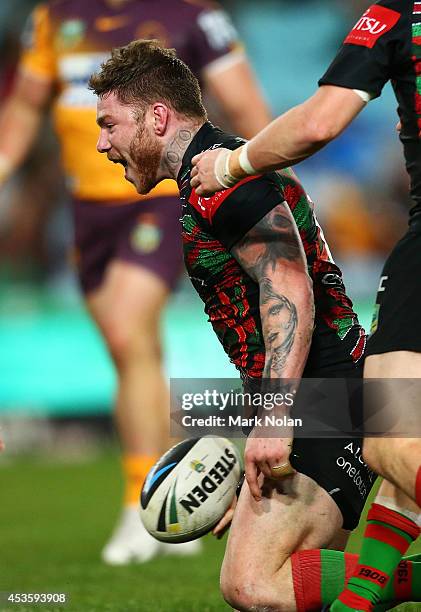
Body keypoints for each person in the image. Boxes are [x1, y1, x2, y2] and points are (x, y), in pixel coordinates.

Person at [88, 39, 421, 611]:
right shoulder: (216, 174)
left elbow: (287, 287)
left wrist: (276, 417)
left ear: (158, 117)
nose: (101, 143)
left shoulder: (224, 179)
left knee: (254, 584)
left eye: (110, 124)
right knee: (286, 582)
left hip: (327, 394)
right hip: (317, 393)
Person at [0, 0, 272, 565]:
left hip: (163, 197)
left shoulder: (191, 15)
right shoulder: (52, 16)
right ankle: (180, 487)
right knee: (132, 351)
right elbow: (26, 107)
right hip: (87, 211)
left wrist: (254, 177)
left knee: (128, 332)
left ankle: (138, 504)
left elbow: (245, 104)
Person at [191, 1, 421, 609]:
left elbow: (319, 123)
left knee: (392, 446)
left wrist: (233, 163)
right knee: (402, 454)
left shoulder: (396, 15)